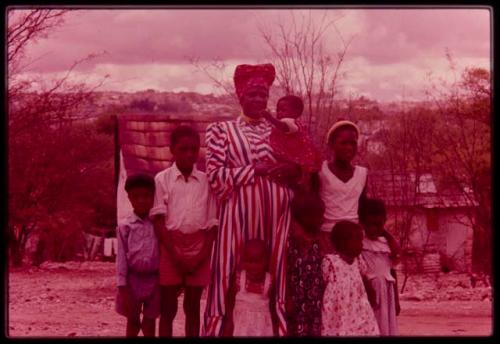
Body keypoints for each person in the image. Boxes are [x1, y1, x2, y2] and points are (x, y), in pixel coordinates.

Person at [203, 63, 301, 337]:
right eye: (252, 94)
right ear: (240, 97)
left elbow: (301, 165)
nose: (258, 100)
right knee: (227, 274)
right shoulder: (220, 130)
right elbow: (215, 177)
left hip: (278, 215)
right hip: (237, 216)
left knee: (276, 275)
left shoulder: (281, 130)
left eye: (263, 95)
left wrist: (293, 170)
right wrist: (255, 170)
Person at [151, 125, 218, 337]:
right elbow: (159, 221)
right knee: (168, 307)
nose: (190, 154)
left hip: (200, 248)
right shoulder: (162, 179)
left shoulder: (207, 182)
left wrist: (200, 256)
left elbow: (212, 224)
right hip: (171, 247)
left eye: (193, 148)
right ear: (172, 149)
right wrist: (174, 253)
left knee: (192, 306)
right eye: (183, 149)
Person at [115, 173, 160, 337]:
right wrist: (122, 285)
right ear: (130, 198)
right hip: (132, 280)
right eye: (136, 196)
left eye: (146, 196)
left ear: (153, 196)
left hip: (155, 280)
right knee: (132, 320)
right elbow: (121, 258)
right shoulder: (125, 226)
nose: (141, 200)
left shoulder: (158, 224)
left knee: (150, 321)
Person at [321, 220, 380, 336]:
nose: (362, 244)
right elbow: (323, 284)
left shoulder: (358, 260)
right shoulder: (330, 261)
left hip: (358, 309)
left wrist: (371, 293)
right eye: (358, 240)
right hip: (339, 312)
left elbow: (364, 278)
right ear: (343, 243)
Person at [318, 120, 368, 253]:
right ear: (331, 145)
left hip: (354, 238)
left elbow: (364, 208)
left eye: (353, 143)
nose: (349, 147)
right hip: (328, 237)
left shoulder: (362, 173)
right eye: (344, 143)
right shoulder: (321, 171)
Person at [286, 188, 325, 336]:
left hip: (315, 302)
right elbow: (283, 271)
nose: (323, 219)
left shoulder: (320, 242)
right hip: (295, 302)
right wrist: (287, 297)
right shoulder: (290, 243)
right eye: (319, 216)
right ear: (305, 217)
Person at [359, 198, 401, 336]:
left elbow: (392, 272)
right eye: (370, 224)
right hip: (370, 292)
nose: (374, 228)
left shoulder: (385, 243)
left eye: (378, 224)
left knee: (386, 327)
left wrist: (396, 300)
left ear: (384, 222)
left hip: (386, 292)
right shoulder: (360, 243)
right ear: (362, 222)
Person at [262, 95, 323, 187]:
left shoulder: (291, 122)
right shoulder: (285, 123)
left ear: (296, 113)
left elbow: (284, 127)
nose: (279, 113)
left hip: (296, 156)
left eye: (283, 110)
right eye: (278, 110)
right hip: (290, 153)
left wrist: (269, 118)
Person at [223, 239, 274, 337]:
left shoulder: (269, 281)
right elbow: (229, 302)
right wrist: (229, 322)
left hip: (262, 329)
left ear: (266, 261)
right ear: (242, 260)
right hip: (240, 328)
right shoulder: (239, 279)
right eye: (249, 261)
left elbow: (272, 307)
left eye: (258, 262)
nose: (253, 266)